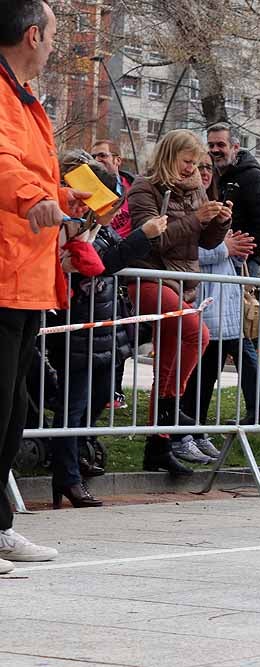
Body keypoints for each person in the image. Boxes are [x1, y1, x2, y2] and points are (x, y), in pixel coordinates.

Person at [0, 0, 95, 570]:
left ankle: (0, 528)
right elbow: (4, 164)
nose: (57, 44)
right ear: (33, 34)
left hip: (28, 277)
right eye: (56, 34)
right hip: (5, 276)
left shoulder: (25, 98)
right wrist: (35, 197)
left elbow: (30, 174)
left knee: (13, 413)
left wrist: (62, 197)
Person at [46, 152, 166, 508]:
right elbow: (102, 264)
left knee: (97, 400)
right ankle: (67, 475)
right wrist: (142, 236)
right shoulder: (72, 226)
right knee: (73, 406)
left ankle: (77, 458)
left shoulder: (104, 227)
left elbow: (113, 257)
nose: (112, 209)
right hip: (76, 330)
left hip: (104, 332)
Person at [127, 129, 231, 476]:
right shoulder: (144, 187)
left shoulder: (198, 189)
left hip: (182, 279)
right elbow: (151, 241)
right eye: (188, 162)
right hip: (148, 277)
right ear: (170, 156)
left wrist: (219, 222)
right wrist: (195, 220)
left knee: (168, 365)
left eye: (197, 163)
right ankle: (171, 408)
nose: (192, 169)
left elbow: (202, 239)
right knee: (195, 333)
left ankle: (157, 446)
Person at [177, 155, 258, 465]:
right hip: (197, 301)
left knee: (208, 374)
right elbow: (183, 249)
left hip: (221, 302)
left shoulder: (216, 203)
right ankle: (179, 433)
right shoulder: (183, 204)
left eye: (209, 168)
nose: (204, 173)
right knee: (191, 374)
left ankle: (197, 429)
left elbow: (221, 253)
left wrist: (237, 253)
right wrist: (226, 249)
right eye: (198, 166)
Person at [206, 124, 260, 424]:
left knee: (236, 336)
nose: (215, 150)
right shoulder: (216, 176)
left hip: (239, 266)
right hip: (219, 262)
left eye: (220, 144)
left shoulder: (253, 178)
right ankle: (194, 409)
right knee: (217, 338)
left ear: (235, 146)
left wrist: (245, 250)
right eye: (211, 144)